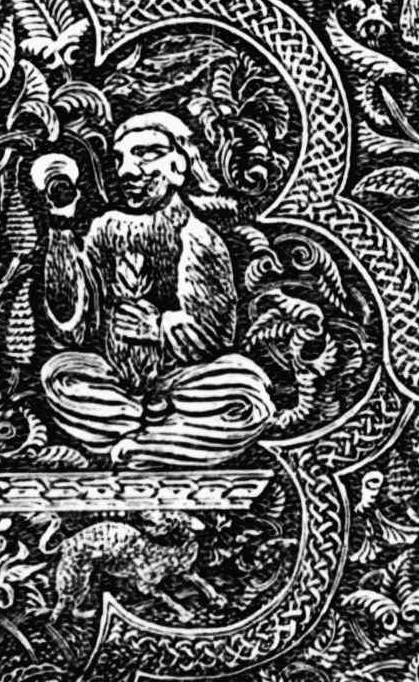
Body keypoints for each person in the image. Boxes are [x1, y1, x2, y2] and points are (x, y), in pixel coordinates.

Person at [35, 112, 274, 469]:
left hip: (183, 385)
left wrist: (158, 327)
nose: (128, 170)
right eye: (120, 158)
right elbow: (72, 321)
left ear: (179, 166)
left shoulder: (199, 238)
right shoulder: (106, 229)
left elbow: (217, 334)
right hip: (118, 386)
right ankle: (155, 435)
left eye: (146, 153)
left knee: (247, 394)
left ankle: (142, 441)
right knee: (59, 375)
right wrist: (61, 223)